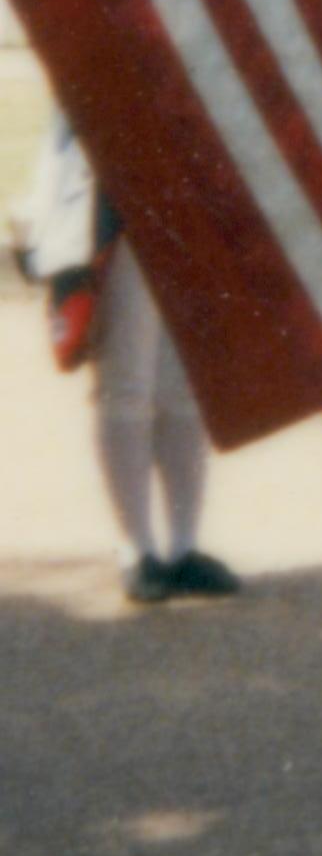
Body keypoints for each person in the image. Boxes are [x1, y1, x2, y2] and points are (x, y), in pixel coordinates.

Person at [17, 117, 237, 606]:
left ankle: (183, 547)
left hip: (189, 200)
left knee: (186, 387)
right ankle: (137, 549)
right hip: (117, 207)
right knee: (128, 382)